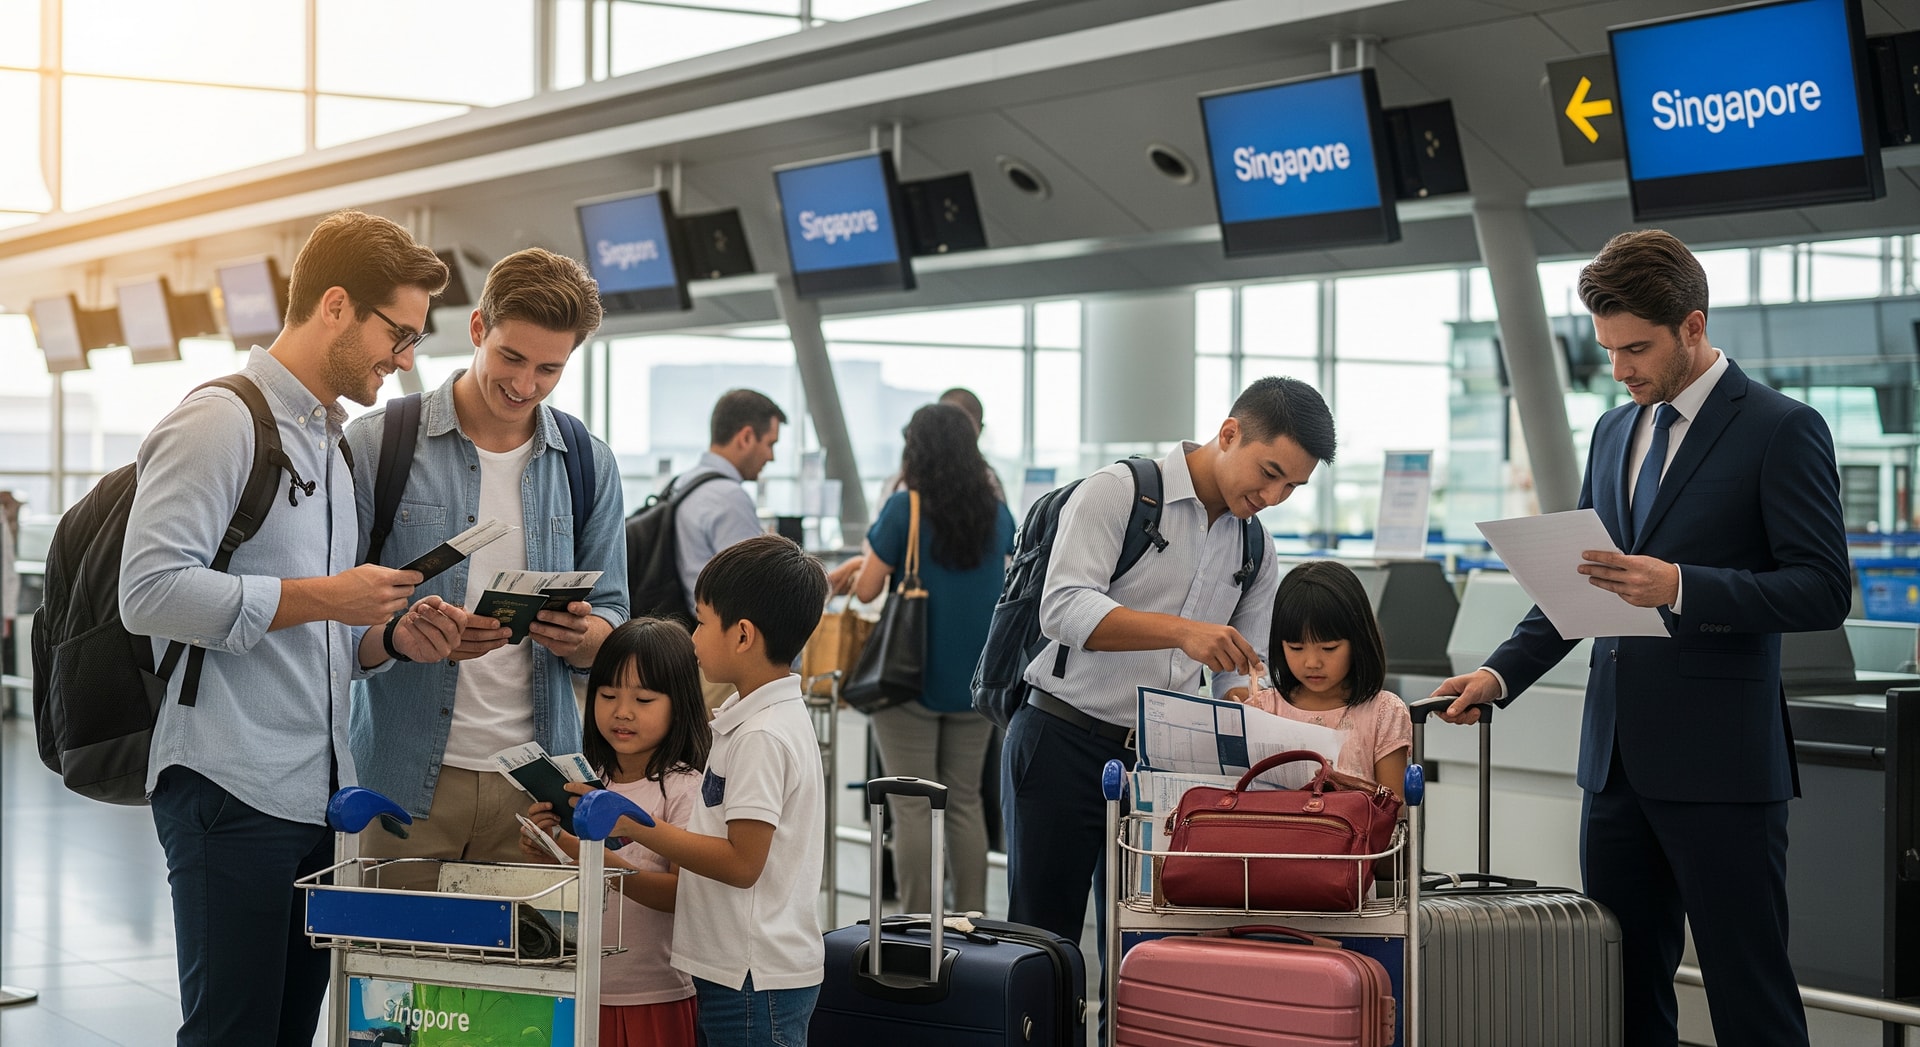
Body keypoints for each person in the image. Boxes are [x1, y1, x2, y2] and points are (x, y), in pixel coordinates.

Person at [1431, 229, 1847, 1047]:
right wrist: (1500, 674)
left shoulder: (1780, 428)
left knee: (1748, 993)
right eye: (1608, 349)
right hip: (1616, 766)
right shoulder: (1612, 434)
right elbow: (1583, 586)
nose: (1619, 370)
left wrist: (1682, 587)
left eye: (1636, 348)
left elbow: (1824, 589)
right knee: (1619, 994)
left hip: (1723, 770)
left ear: (1692, 327)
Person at [121, 209, 466, 1047]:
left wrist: (387, 636)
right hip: (228, 788)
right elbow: (149, 591)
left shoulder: (333, 450)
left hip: (317, 802)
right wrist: (325, 595)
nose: (406, 357)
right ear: (337, 305)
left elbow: (325, 636)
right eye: (399, 332)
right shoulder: (219, 421)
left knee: (285, 1032)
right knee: (231, 1033)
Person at [1003, 375, 1336, 951]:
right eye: (1270, 473)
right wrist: (1183, 635)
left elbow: (1239, 669)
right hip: (1061, 741)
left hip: (1165, 769)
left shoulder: (1256, 549)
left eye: (1293, 486)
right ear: (1229, 434)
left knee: (1147, 943)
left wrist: (1249, 717)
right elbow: (1063, 608)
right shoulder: (1118, 492)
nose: (1275, 496)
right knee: (1043, 945)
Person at [346, 247, 630, 885]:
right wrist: (400, 637)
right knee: (391, 976)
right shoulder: (377, 446)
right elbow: (331, 614)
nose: (525, 385)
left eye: (549, 369)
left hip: (537, 791)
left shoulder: (587, 464)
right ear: (478, 329)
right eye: (511, 358)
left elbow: (615, 611)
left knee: (528, 985)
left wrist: (585, 638)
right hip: (402, 781)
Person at [584, 534, 828, 1047]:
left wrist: (635, 825)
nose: (693, 637)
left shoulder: (762, 734)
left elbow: (742, 863)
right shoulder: (757, 720)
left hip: (753, 976)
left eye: (701, 620)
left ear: (742, 635)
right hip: (740, 971)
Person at [831, 402, 1015, 913]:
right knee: (964, 803)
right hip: (975, 682)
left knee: (912, 806)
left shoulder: (904, 508)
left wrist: (860, 566)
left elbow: (868, 590)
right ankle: (973, 919)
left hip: (908, 680)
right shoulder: (997, 513)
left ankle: (916, 923)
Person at [522, 617, 711, 1047]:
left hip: (654, 994)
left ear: (679, 702)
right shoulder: (584, 779)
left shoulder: (684, 787)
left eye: (643, 699)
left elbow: (681, 895)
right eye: (607, 695)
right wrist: (545, 848)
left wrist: (589, 857)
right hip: (574, 988)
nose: (622, 711)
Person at [1242, 559, 1411, 799]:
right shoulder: (1262, 709)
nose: (1312, 662)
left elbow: (1394, 809)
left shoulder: (1384, 712)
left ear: (1358, 641)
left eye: (1329, 648)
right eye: (1296, 647)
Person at [673, 389, 786, 709]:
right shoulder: (729, 498)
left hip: (691, 645)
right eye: (771, 444)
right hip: (726, 662)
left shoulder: (686, 483)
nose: (771, 457)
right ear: (747, 437)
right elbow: (758, 590)